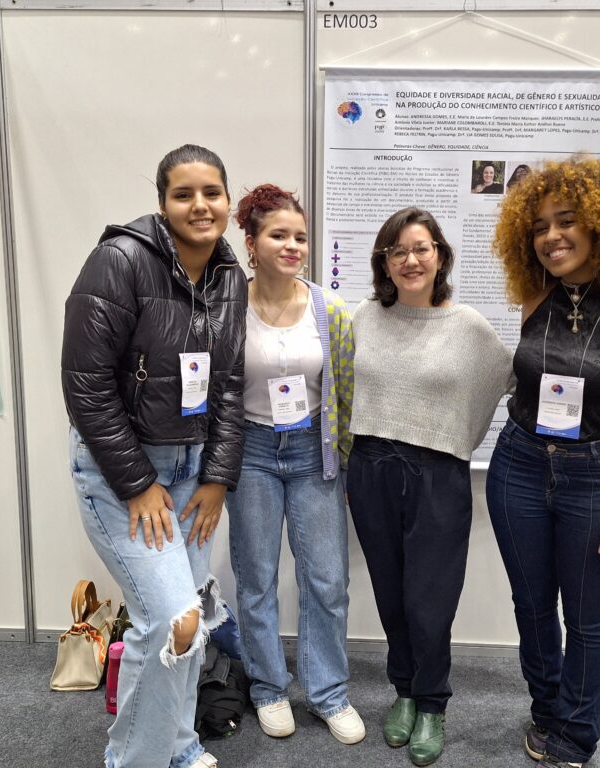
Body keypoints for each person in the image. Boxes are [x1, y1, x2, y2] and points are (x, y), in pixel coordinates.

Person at [62, 144, 247, 768]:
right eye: (184, 194)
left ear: (226, 199)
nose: (200, 206)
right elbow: (85, 385)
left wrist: (218, 476)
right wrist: (138, 482)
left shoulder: (230, 278)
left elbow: (228, 383)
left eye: (211, 193)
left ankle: (179, 744)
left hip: (193, 471)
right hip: (123, 474)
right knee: (174, 621)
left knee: (184, 625)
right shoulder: (119, 262)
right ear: (163, 202)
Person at [486, 157, 600, 768]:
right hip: (516, 465)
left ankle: (577, 731)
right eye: (539, 226)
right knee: (532, 607)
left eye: (567, 222)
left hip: (594, 478)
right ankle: (547, 709)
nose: (551, 236)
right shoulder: (535, 294)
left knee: (588, 619)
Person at [347, 208, 513, 767]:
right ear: (384, 263)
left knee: (430, 600)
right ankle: (403, 690)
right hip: (370, 468)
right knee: (391, 592)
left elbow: (522, 377)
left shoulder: (467, 326)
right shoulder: (363, 319)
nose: (410, 260)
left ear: (439, 255)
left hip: (438, 476)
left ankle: (433, 703)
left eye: (420, 248)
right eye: (397, 251)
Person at [226, 184, 364, 745]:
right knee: (256, 579)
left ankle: (329, 692)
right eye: (278, 235)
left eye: (300, 237)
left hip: (313, 452)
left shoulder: (329, 309)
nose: (292, 246)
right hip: (252, 452)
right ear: (251, 243)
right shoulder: (228, 306)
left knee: (327, 581)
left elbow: (347, 392)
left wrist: (346, 462)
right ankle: (269, 688)